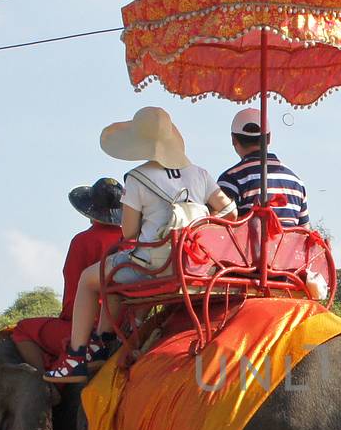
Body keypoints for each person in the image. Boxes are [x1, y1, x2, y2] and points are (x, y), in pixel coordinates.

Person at [45, 107, 233, 383]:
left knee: (90, 278)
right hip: (198, 264)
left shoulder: (136, 178)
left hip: (155, 267)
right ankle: (103, 339)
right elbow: (231, 213)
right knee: (111, 273)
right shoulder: (200, 174)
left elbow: (129, 232)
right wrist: (198, 225)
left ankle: (76, 357)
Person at [9, 179, 125, 369]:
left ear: (91, 209)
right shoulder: (131, 240)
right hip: (126, 324)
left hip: (90, 328)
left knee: (22, 329)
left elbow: (72, 301)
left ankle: (45, 386)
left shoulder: (82, 241)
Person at [216, 107, 308, 227]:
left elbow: (219, 228)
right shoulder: (297, 183)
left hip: (248, 246)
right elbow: (304, 232)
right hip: (288, 246)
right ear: (268, 138)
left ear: (233, 139)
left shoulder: (230, 179)